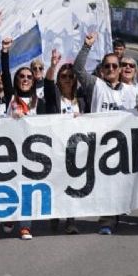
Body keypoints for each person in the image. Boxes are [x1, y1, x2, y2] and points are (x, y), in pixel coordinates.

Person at [74, 32, 138, 235]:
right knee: (104, 184)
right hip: (100, 145)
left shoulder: (131, 91)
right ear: (102, 70)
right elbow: (78, 70)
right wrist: (86, 46)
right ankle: (107, 220)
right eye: (108, 66)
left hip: (123, 146)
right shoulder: (96, 85)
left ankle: (114, 215)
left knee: (119, 183)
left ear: (121, 68)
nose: (112, 69)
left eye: (115, 66)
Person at [1, 46, 48, 240]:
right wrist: (5, 53)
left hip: (33, 152)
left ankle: (25, 226)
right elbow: (4, 74)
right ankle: (10, 216)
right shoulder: (10, 96)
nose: (26, 79)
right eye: (22, 76)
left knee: (27, 188)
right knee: (11, 185)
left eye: (29, 77)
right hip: (10, 150)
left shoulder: (41, 102)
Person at [43, 48, 84, 234]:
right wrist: (52, 66)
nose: (67, 79)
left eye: (70, 76)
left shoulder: (82, 100)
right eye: (63, 76)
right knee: (56, 183)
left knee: (73, 185)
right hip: (56, 146)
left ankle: (71, 220)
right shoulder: (54, 98)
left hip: (75, 148)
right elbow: (48, 83)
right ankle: (54, 216)